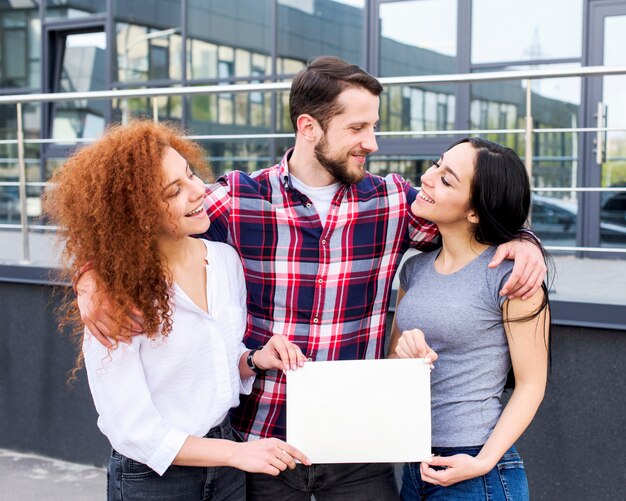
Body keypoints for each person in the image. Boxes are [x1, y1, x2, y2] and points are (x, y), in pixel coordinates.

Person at [75, 57, 547, 500]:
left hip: (360, 446)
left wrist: (525, 241)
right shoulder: (239, 199)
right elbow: (137, 221)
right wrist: (89, 274)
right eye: (358, 128)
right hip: (262, 446)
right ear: (309, 127)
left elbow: (476, 220)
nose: (372, 143)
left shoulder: (394, 203)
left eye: (374, 127)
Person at [43, 120, 310, 501]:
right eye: (174, 190)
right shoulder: (115, 298)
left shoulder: (223, 261)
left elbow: (212, 363)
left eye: (190, 174)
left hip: (227, 470)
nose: (199, 190)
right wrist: (240, 453)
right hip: (155, 481)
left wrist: (254, 360)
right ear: (136, 213)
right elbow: (135, 430)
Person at [388, 138, 550, 500]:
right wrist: (404, 353)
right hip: (416, 464)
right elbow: (393, 367)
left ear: (475, 211)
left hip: (477, 469)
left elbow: (531, 385)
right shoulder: (414, 269)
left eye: (447, 180)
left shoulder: (511, 276)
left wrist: (484, 461)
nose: (427, 178)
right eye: (436, 164)